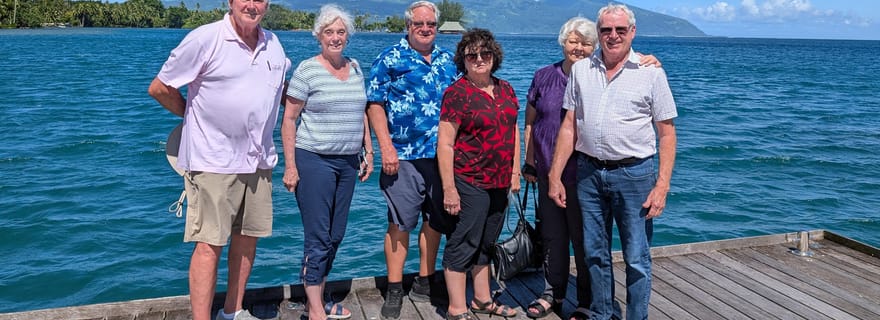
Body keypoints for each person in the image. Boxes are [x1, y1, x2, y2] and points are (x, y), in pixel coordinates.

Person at [147, 0, 290, 318]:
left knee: (248, 239)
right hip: (213, 161)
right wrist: (193, 116)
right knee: (209, 245)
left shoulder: (273, 44)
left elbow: (279, 91)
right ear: (230, 2)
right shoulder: (206, 38)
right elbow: (160, 88)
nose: (251, 5)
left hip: (259, 160)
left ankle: (233, 312)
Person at [523, 17, 660, 320]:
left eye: (586, 43)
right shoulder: (544, 76)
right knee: (553, 237)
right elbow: (531, 122)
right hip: (550, 171)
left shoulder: (594, 74)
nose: (579, 48)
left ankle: (589, 301)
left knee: (589, 243)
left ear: (594, 46)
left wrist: (647, 60)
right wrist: (529, 162)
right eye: (573, 41)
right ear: (563, 42)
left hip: (585, 174)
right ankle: (553, 293)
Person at [365, 1, 459, 318]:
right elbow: (375, 104)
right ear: (408, 26)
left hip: (442, 155)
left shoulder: (449, 60)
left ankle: (424, 280)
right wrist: (386, 148)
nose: (425, 28)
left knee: (435, 221)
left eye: (430, 24)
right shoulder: (390, 58)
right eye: (419, 23)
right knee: (399, 223)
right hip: (402, 155)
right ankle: (394, 288)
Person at [280, 4, 373, 320]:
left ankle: (315, 297)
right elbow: (289, 119)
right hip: (314, 161)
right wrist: (290, 166)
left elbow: (361, 112)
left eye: (341, 32)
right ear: (318, 36)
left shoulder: (355, 67)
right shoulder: (307, 70)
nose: (335, 37)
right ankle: (316, 309)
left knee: (335, 235)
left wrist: (368, 150)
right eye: (329, 32)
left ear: (348, 36)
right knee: (318, 237)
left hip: (348, 162)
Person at [438, 28, 521, 320]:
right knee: (464, 241)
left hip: (500, 180)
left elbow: (513, 131)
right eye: (471, 55)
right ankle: (456, 307)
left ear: (494, 56)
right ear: (463, 60)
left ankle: (482, 300)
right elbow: (445, 143)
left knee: (487, 241)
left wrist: (515, 171)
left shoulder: (506, 89)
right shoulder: (456, 94)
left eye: (485, 53)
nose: (479, 59)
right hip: (469, 179)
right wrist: (449, 188)